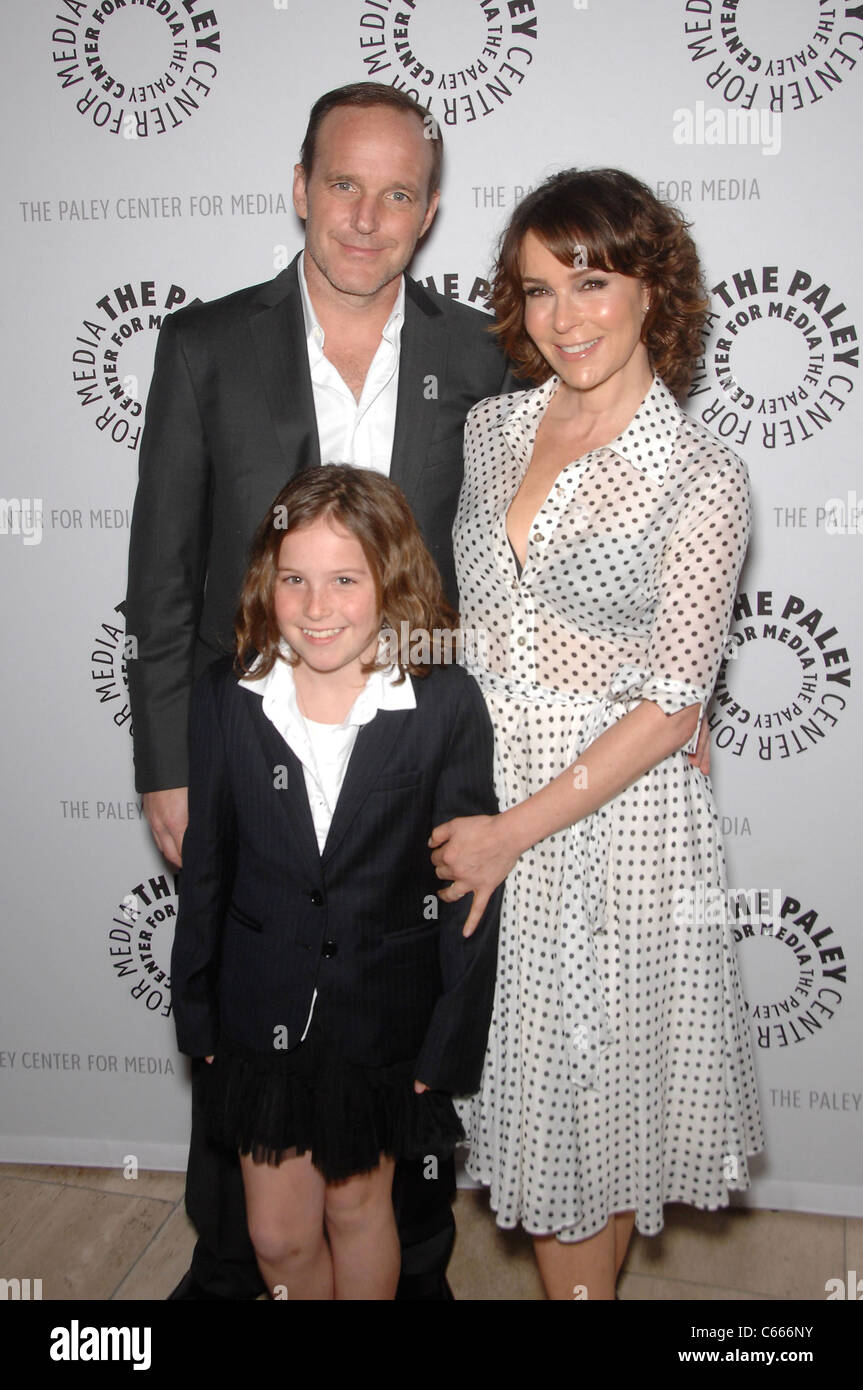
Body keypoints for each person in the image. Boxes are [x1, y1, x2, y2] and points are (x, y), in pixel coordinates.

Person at [125, 81, 512, 1300]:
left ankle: (410, 1273)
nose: (365, 215)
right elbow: (163, 576)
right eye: (343, 183)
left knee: (391, 1022)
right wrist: (165, 761)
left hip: (405, 758)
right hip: (246, 750)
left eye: (397, 192)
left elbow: (518, 563)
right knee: (256, 994)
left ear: (429, 211)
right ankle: (239, 1268)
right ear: (300, 188)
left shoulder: (479, 354)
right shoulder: (204, 345)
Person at [429, 169, 765, 1300]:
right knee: (560, 1127)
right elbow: (470, 624)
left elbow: (670, 702)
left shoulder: (699, 474)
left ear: (648, 286)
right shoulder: (489, 431)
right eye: (535, 291)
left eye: (590, 281)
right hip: (488, 792)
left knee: (584, 1133)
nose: (563, 316)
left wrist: (506, 834)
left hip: (604, 828)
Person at [170, 465, 501, 1300]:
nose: (317, 607)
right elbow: (206, 865)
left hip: (380, 1018)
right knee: (276, 1237)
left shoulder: (442, 704)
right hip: (258, 1012)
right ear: (266, 582)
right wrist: (196, 1002)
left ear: (390, 580)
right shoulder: (227, 696)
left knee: (358, 1211)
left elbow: (465, 885)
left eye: (344, 580)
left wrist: (446, 1042)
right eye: (295, 580)